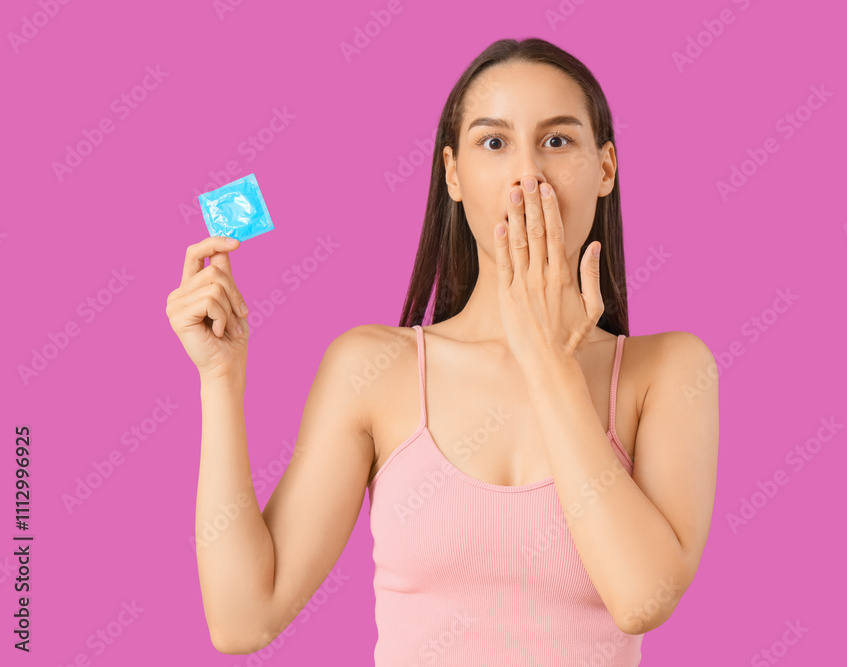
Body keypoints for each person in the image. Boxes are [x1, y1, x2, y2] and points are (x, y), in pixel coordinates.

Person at [166, 37, 718, 664]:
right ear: (454, 174)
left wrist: (548, 360)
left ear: (606, 168)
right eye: (494, 142)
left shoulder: (668, 371)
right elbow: (244, 619)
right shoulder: (371, 369)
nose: (527, 174)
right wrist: (220, 377)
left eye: (558, 141)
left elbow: (642, 597)